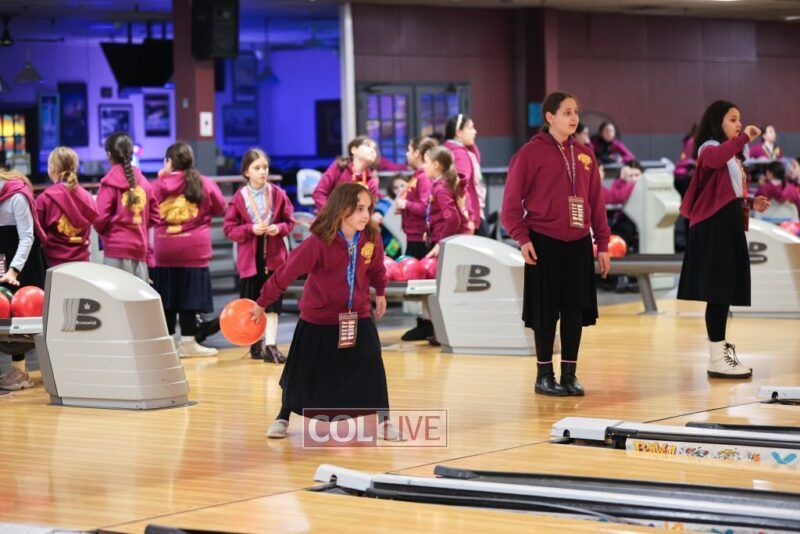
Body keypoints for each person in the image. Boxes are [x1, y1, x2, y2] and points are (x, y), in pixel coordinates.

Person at [251, 183, 399, 441]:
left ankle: (385, 421)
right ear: (342, 209)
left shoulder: (371, 237)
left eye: (368, 208)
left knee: (372, 367)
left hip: (359, 315)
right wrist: (262, 302)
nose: (366, 215)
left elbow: (377, 269)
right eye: (359, 209)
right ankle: (283, 416)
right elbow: (285, 273)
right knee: (301, 374)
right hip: (318, 319)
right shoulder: (318, 243)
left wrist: (381, 292)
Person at [502, 91, 611, 397]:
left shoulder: (585, 155)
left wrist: (603, 243)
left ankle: (570, 375)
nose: (574, 117)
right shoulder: (529, 154)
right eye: (566, 112)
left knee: (574, 311)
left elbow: (596, 203)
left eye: (576, 111)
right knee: (546, 313)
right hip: (543, 242)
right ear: (550, 117)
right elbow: (510, 205)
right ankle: (544, 375)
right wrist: (522, 238)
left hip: (578, 242)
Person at [678, 100, 770, 378]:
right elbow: (713, 160)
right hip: (713, 227)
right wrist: (745, 139)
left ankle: (719, 355)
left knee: (724, 292)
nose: (739, 124)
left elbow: (728, 193)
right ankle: (717, 359)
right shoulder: (709, 148)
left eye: (739, 119)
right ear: (717, 122)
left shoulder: (732, 155)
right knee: (718, 292)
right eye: (732, 119)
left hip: (728, 225)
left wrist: (751, 202)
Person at [151, 142, 226, 358]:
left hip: (164, 249)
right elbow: (220, 206)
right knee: (190, 298)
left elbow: (147, 209)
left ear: (169, 162)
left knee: (166, 299)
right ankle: (188, 343)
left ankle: (166, 345)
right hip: (194, 249)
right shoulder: (204, 182)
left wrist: (162, 177)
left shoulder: (157, 184)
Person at [224, 148, 295, 363]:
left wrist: (279, 228)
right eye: (257, 168)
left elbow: (289, 222)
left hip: (273, 255)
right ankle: (256, 342)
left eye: (265, 167)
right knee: (252, 302)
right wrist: (250, 229)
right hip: (250, 258)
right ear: (246, 172)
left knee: (272, 302)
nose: (263, 172)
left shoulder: (278, 194)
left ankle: (271, 345)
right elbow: (229, 229)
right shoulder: (239, 198)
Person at [0, 169, 46, 391]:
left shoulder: (17, 197)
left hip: (24, 262)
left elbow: (27, 237)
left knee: (25, 318)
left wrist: (14, 270)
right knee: (6, 318)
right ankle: (18, 370)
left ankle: (26, 372)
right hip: (4, 259)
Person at [93, 132, 159, 282]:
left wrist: (108, 232)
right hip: (140, 251)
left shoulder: (109, 182)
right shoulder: (144, 182)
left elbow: (99, 218)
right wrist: (139, 225)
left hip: (116, 251)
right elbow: (155, 215)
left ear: (109, 154)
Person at [36, 147, 98, 268]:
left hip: (54, 266)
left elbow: (36, 235)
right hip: (83, 264)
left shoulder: (44, 199)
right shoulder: (88, 197)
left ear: (52, 168)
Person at [395, 137, 438, 260]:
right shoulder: (419, 176)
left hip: (420, 238)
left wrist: (406, 204)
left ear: (417, 153)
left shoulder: (424, 177)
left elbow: (426, 207)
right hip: (415, 236)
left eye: (409, 150)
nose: (406, 154)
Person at [312, 136, 380, 212]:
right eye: (368, 146)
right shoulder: (339, 167)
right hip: (331, 216)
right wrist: (330, 213)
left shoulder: (371, 181)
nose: (373, 151)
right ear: (354, 150)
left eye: (374, 149)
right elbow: (319, 193)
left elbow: (369, 210)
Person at [423, 146, 466, 260]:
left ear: (436, 165)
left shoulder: (441, 189)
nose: (423, 166)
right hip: (441, 238)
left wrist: (441, 243)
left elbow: (453, 218)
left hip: (445, 242)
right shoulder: (440, 185)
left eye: (426, 162)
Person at [444, 114, 485, 235]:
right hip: (465, 214)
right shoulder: (459, 154)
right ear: (459, 132)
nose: (475, 132)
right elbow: (461, 186)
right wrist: (469, 216)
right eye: (470, 128)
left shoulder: (449, 150)